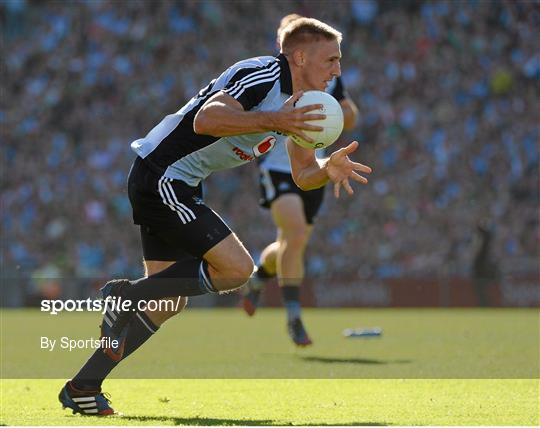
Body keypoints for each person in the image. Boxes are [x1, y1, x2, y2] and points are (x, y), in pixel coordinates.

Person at [58, 17, 372, 416]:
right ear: (300, 56)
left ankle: (83, 386)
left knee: (166, 302)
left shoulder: (305, 102)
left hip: (180, 182)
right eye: (331, 59)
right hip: (162, 174)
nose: (337, 70)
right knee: (237, 270)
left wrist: (327, 169)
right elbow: (206, 119)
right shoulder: (261, 73)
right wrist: (275, 120)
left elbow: (302, 174)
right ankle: (124, 295)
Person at [241, 14, 359, 346]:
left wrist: (332, 109)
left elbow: (352, 115)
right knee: (293, 234)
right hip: (278, 169)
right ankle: (294, 316)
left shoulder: (329, 80)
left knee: (291, 245)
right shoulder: (274, 82)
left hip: (316, 166)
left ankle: (259, 277)